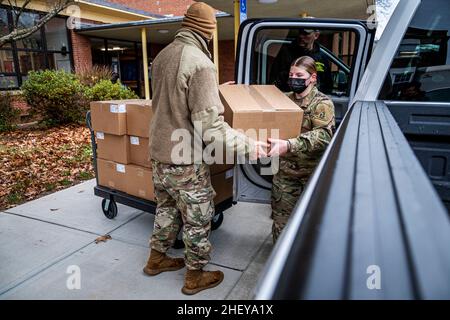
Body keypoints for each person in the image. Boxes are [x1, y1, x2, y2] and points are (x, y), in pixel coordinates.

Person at [143, 2, 267, 295]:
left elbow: (177, 97)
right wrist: (252, 146)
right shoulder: (200, 62)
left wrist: (213, 88)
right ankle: (194, 276)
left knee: (166, 208)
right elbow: (212, 129)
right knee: (198, 217)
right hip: (185, 158)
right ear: (208, 31)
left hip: (160, 154)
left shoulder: (162, 56)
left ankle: (156, 259)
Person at [268, 56, 335, 242]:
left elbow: (324, 135)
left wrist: (290, 144)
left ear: (312, 78)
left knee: (311, 225)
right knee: (281, 223)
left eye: (299, 75)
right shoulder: (284, 100)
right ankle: (280, 266)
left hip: (311, 175)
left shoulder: (322, 103)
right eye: (291, 75)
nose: (293, 79)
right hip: (285, 174)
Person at [269, 29, 333, 94]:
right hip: (288, 98)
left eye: (306, 33)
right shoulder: (286, 53)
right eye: (300, 32)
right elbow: (273, 80)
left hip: (313, 100)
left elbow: (327, 85)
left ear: (316, 35)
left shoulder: (321, 57)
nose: (301, 36)